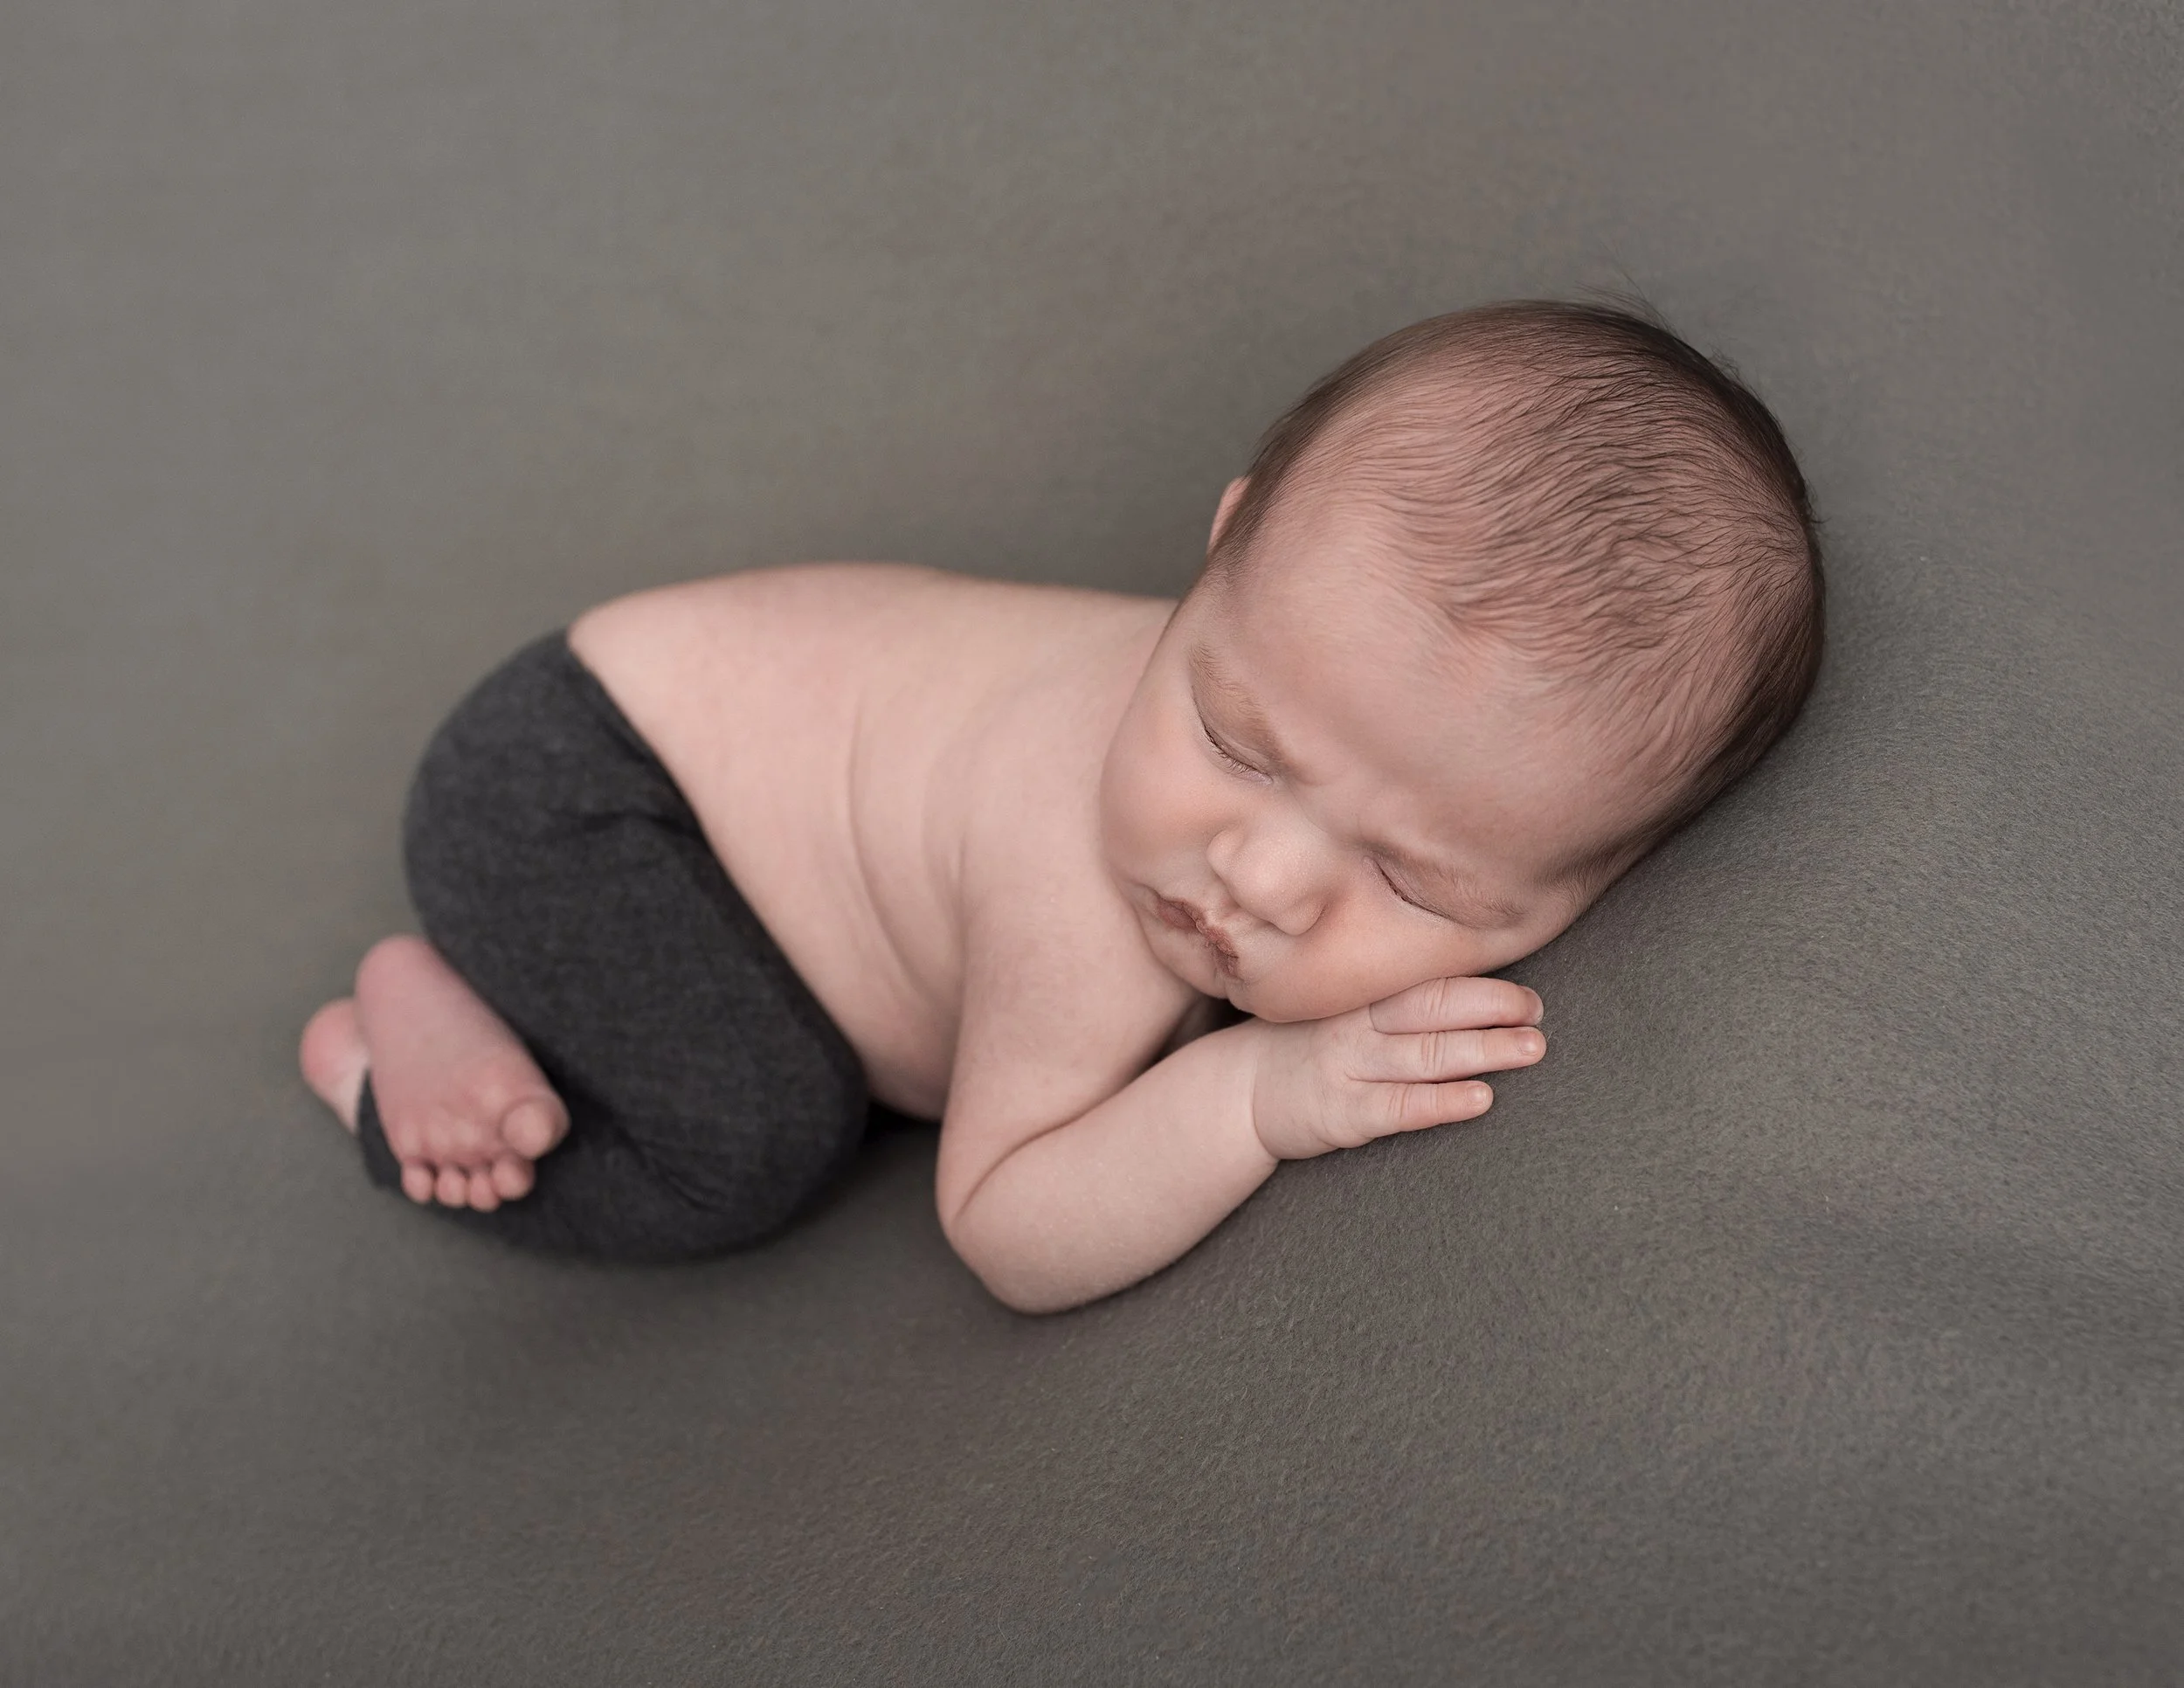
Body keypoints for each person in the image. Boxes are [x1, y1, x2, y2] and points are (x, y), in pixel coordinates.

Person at [297, 300, 1824, 1315]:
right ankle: (389, 1048)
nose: (1261, 878)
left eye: (1419, 884)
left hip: (653, 767)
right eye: (1235, 742)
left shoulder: (1288, 691)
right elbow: (1007, 1224)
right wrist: (1251, 1101)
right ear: (1221, 556)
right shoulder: (1078, 896)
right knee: (753, 1144)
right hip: (590, 803)